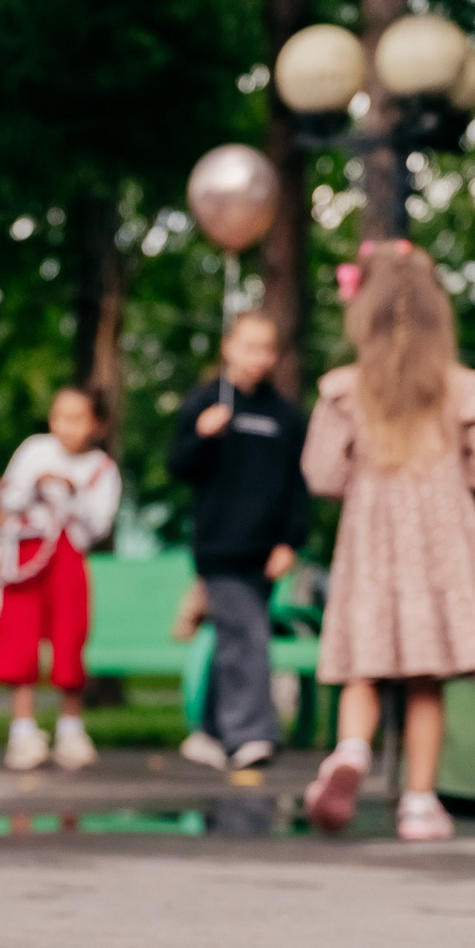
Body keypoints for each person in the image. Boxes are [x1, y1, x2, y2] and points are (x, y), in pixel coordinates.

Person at [300, 244, 475, 843]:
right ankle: (420, 803)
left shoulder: (347, 389)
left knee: (364, 669)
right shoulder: (463, 390)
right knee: (426, 679)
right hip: (442, 546)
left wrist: (359, 485)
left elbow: (320, 473)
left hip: (372, 539)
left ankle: (350, 751)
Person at [166, 309, 309, 773]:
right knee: (247, 635)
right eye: (250, 347)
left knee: (235, 638)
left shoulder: (285, 416)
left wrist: (290, 541)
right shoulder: (205, 404)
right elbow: (179, 466)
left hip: (264, 549)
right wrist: (203, 436)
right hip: (218, 547)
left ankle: (208, 731)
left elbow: (296, 485)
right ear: (229, 347)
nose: (258, 358)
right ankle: (249, 734)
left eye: (267, 348)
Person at [0, 385, 120, 772]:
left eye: (78, 419)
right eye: (60, 417)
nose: (67, 427)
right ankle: (23, 729)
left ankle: (70, 728)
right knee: (21, 635)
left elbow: (98, 526)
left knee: (69, 637)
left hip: (69, 557)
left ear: (96, 424)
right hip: (29, 553)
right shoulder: (35, 450)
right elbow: (6, 499)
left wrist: (72, 493)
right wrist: (35, 485)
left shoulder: (102, 468)